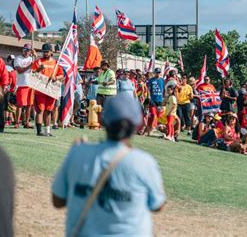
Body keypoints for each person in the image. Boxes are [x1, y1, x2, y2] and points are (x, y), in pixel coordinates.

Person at [51, 93, 166, 236]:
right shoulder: (144, 162)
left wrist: (77, 154)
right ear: (138, 124)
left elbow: (58, 201)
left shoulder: (78, 153)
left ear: (102, 120)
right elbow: (157, 205)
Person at [31, 43, 64, 136]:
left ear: (51, 52)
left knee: (49, 111)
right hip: (40, 91)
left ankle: (47, 131)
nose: (45, 53)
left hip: (51, 91)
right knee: (40, 110)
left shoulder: (55, 63)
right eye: (44, 52)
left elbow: (61, 75)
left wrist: (56, 78)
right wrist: (38, 69)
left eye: (47, 52)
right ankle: (39, 131)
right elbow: (32, 74)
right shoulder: (38, 62)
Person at [14, 43, 36, 128]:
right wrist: (30, 65)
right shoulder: (18, 58)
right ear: (23, 50)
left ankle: (26, 122)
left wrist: (35, 57)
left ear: (31, 51)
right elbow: (19, 71)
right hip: (22, 84)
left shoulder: (32, 58)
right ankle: (17, 122)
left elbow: (38, 67)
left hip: (31, 85)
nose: (27, 52)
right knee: (20, 104)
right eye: (25, 50)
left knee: (29, 105)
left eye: (29, 50)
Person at [146, 67, 164, 134]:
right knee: (153, 114)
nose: (158, 74)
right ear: (154, 73)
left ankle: (152, 127)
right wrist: (148, 97)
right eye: (157, 72)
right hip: (153, 100)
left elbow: (164, 90)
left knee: (158, 115)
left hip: (160, 100)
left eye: (159, 72)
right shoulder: (151, 80)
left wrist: (164, 98)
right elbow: (148, 89)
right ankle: (152, 128)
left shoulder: (162, 80)